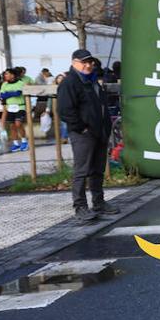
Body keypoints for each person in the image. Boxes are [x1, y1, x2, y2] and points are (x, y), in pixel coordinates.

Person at [58, 49, 116, 222]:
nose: (88, 65)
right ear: (74, 62)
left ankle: (99, 202)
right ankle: (80, 207)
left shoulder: (92, 81)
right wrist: (81, 128)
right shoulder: (70, 83)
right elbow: (65, 110)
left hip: (99, 131)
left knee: (97, 169)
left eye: (90, 62)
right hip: (83, 134)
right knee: (81, 171)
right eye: (84, 62)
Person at [0, 68, 28, 152]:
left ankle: (24, 141)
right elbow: (2, 95)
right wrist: (12, 93)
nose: (5, 76)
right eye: (5, 74)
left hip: (20, 107)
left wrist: (8, 94)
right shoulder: (4, 84)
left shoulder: (20, 83)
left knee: (18, 124)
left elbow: (18, 93)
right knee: (12, 126)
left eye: (7, 74)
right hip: (10, 107)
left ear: (12, 75)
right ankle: (16, 143)